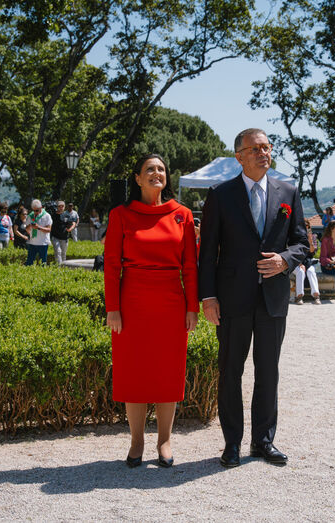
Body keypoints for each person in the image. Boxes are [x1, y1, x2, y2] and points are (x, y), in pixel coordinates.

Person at [199, 128, 308, 468]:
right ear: (240, 156)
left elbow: (303, 243)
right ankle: (232, 443)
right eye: (256, 148)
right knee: (231, 370)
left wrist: (284, 261)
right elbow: (208, 253)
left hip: (273, 299)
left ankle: (263, 441)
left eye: (267, 147)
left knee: (268, 372)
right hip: (232, 299)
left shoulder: (288, 192)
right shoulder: (220, 194)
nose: (264, 152)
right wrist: (208, 297)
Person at [105, 153, 198, 469]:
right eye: (149, 169)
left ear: (166, 177)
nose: (156, 173)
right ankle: (136, 441)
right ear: (137, 178)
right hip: (132, 303)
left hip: (172, 303)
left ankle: (164, 440)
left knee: (166, 372)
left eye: (161, 169)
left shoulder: (182, 215)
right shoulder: (120, 215)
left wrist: (192, 307)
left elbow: (190, 266)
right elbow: (112, 266)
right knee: (134, 372)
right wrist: (113, 308)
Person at [293, 219, 321, 305]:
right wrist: (300, 264)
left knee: (311, 271)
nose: (305, 228)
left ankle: (316, 295)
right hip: (296, 262)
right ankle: (299, 296)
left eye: (307, 226)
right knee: (300, 271)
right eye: (303, 226)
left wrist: (310, 240)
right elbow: (292, 252)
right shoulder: (295, 237)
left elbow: (312, 252)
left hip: (308, 261)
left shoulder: (313, 237)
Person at [25, 200, 52, 265]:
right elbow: (27, 229)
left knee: (43, 263)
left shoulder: (47, 216)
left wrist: (38, 227)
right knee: (29, 263)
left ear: (41, 208)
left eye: (37, 210)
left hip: (43, 243)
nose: (35, 212)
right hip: (32, 243)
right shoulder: (30, 216)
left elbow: (49, 229)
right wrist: (30, 226)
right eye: (33, 210)